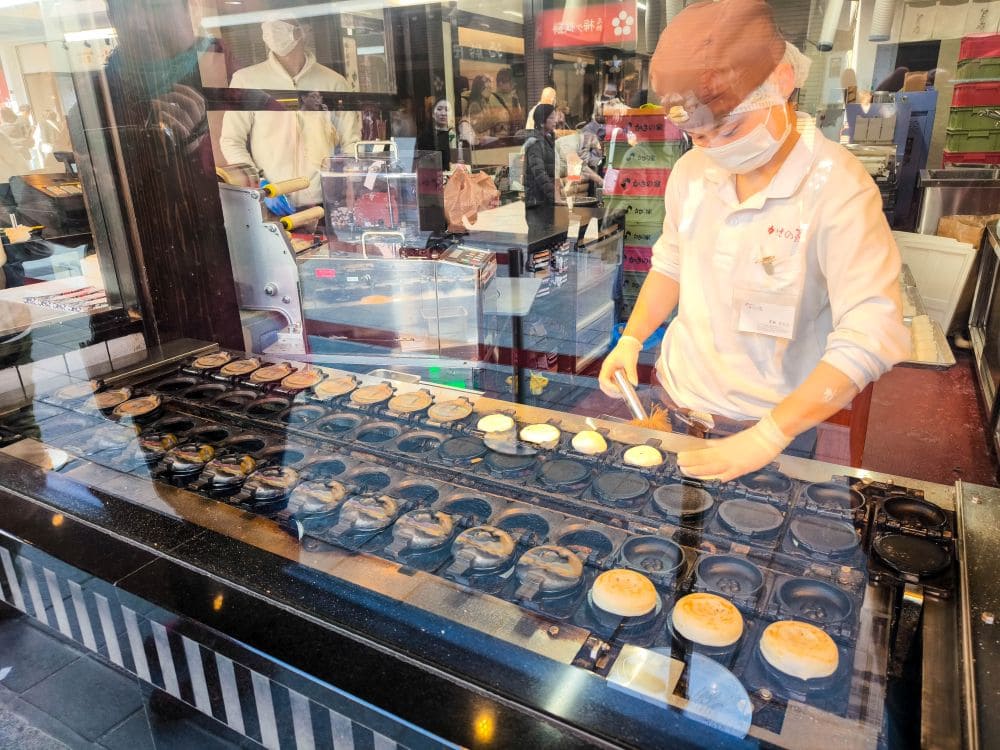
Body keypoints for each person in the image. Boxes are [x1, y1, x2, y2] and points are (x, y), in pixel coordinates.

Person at [598, 0, 909, 482]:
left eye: (730, 126)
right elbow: (671, 265)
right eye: (698, 133)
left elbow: (870, 334)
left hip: (767, 426)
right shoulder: (692, 172)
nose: (715, 146)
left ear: (782, 80)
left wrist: (768, 436)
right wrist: (633, 338)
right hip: (675, 397)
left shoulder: (839, 188)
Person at [220, 18, 361, 211]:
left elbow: (351, 143)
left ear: (304, 31)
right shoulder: (247, 80)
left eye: (282, 24)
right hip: (271, 202)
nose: (272, 30)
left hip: (325, 203)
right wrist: (258, 185)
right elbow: (231, 140)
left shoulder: (333, 83)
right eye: (269, 24)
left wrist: (341, 185)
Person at [416, 99, 456, 171]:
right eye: (439, 109)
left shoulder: (453, 133)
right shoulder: (424, 137)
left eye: (447, 110)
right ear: (433, 114)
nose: (443, 113)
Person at [492, 68, 523, 137]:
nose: (514, 84)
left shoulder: (514, 98)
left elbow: (519, 117)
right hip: (499, 138)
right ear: (500, 83)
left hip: (513, 136)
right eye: (511, 82)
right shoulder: (492, 99)